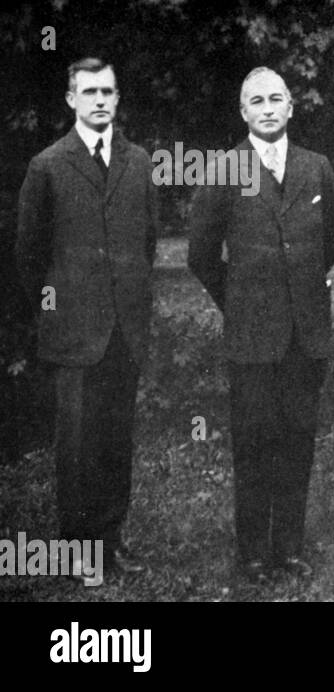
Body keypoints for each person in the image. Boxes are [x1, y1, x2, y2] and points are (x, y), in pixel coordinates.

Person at [188, 67, 334, 584]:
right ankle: (253, 553)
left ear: (292, 106)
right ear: (243, 111)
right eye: (258, 100)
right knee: (253, 444)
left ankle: (290, 548)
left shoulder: (316, 168)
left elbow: (330, 243)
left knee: (298, 440)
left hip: (306, 335)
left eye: (278, 98)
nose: (269, 108)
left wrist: (300, 294)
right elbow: (201, 255)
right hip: (252, 338)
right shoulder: (222, 169)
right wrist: (239, 301)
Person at [16, 57, 158, 578]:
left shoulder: (139, 161)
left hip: (124, 330)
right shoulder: (48, 165)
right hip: (74, 334)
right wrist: (59, 309)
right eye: (89, 91)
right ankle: (79, 551)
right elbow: (29, 257)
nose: (100, 100)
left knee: (116, 441)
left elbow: (145, 243)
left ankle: (111, 537)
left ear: (118, 99)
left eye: (109, 91)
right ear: (72, 100)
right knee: (77, 448)